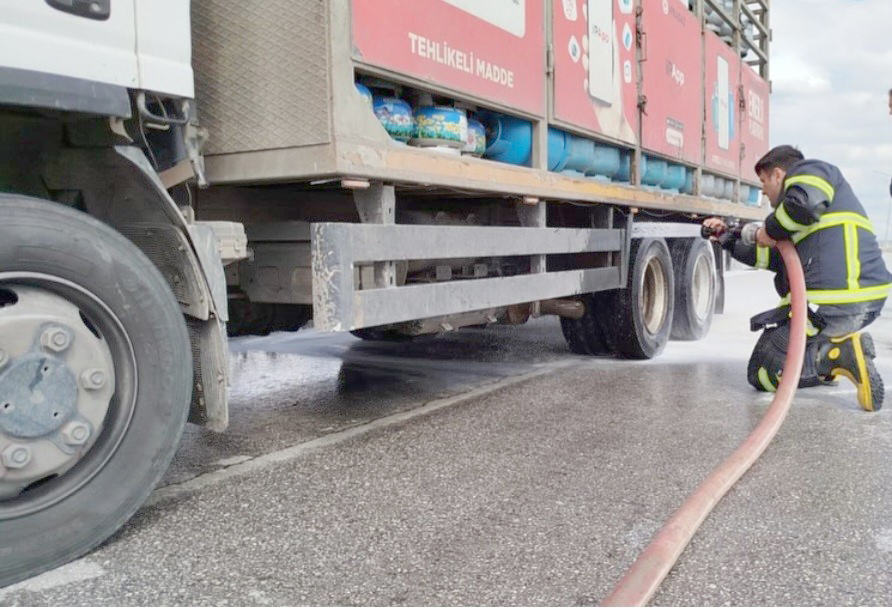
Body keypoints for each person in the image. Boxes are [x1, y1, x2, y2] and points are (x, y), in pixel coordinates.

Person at [704, 145, 892, 411]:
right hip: (856, 299)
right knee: (763, 372)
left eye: (763, 182)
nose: (763, 192)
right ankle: (828, 357)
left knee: (764, 372)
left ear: (778, 174)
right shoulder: (801, 220)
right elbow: (775, 258)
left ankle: (839, 355)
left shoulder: (811, 171)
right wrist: (727, 239)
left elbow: (804, 204)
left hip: (831, 302)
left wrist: (768, 230)